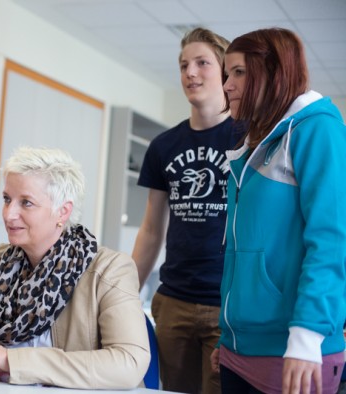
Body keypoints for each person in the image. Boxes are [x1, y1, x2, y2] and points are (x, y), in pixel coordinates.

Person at [0, 146, 150, 389]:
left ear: (62, 212)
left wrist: (12, 362)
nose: (9, 214)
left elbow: (129, 362)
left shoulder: (110, 270)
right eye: (7, 199)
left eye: (26, 203)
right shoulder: (1, 260)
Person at [210, 27, 346, 394]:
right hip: (239, 350)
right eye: (227, 74)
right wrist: (231, 333)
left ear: (272, 72)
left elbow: (332, 243)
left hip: (294, 352)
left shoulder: (317, 129)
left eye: (238, 72)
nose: (226, 85)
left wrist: (306, 337)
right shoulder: (253, 147)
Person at [131, 27, 242, 394]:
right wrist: (126, 293)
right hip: (174, 300)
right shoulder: (163, 146)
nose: (190, 73)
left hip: (226, 303)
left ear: (225, 71)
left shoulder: (248, 139)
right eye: (183, 65)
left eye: (201, 63)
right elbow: (151, 230)